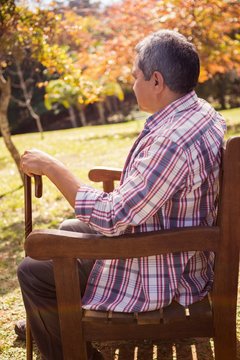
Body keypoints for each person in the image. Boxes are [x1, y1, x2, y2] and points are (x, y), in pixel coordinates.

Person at [16, 30, 226, 360]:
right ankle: (51, 318)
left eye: (135, 77)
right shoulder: (199, 113)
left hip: (164, 271)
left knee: (33, 268)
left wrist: (53, 168)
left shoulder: (172, 140)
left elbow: (114, 218)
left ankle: (70, 352)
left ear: (156, 81)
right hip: (177, 248)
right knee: (68, 229)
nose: (132, 84)